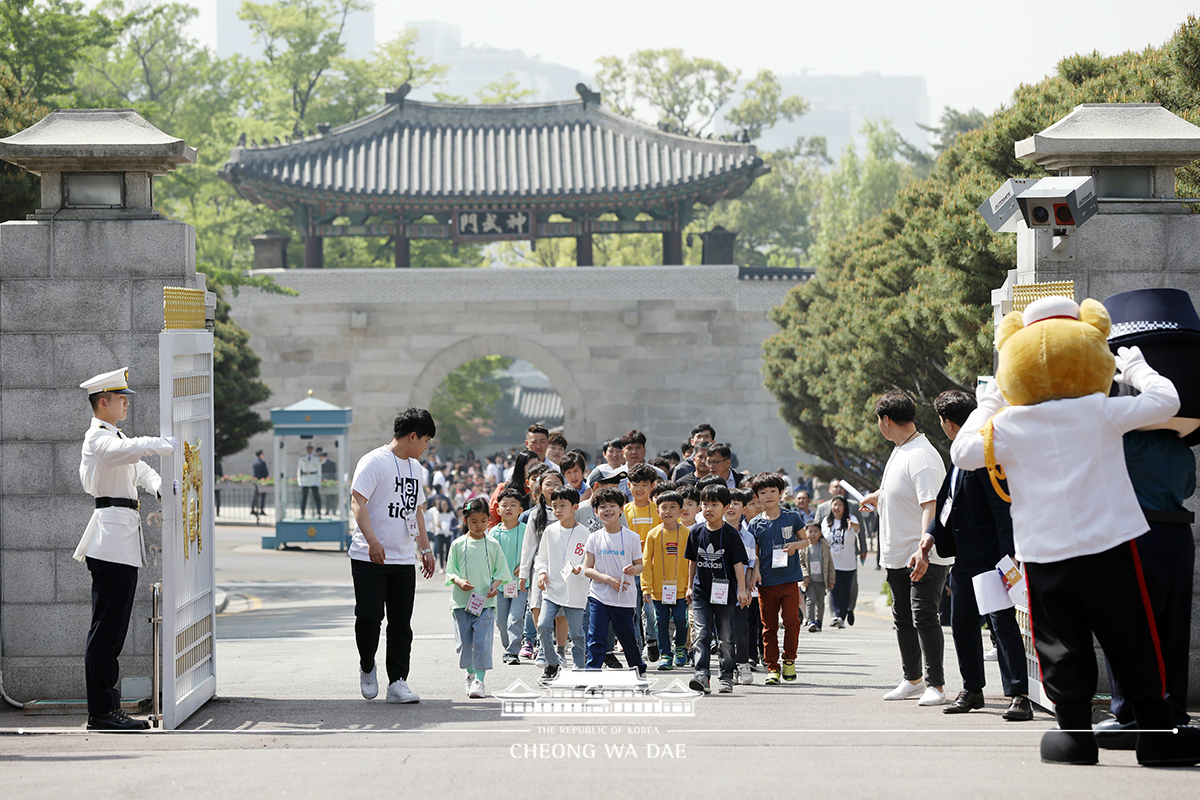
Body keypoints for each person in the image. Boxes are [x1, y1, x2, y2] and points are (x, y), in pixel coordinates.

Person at [916, 390, 1031, 721]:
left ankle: (1019, 695)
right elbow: (945, 506)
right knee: (963, 625)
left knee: (1002, 626)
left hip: (990, 561)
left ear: (949, 423)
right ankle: (972, 690)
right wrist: (929, 538)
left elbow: (1001, 511)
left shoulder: (982, 456)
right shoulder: (959, 457)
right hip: (963, 561)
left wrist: (1007, 560)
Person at [75, 367, 178, 731]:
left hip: (122, 541)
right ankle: (101, 712)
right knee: (105, 631)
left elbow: (139, 469)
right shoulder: (98, 439)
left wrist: (161, 485)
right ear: (103, 402)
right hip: (110, 542)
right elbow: (130, 451)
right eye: (121, 399)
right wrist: (161, 442)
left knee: (114, 632)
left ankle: (109, 708)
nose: (125, 404)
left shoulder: (114, 436)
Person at [860, 390, 952, 707]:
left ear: (886, 420)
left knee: (924, 617)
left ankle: (936, 685)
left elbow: (931, 505)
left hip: (922, 555)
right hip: (898, 555)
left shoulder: (921, 455)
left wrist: (923, 547)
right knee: (904, 618)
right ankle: (913, 679)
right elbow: (901, 490)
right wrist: (878, 496)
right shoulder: (902, 448)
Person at [348, 408, 437, 705]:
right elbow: (357, 502)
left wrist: (425, 549)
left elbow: (416, 512)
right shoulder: (374, 461)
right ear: (412, 436)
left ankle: (398, 682)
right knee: (370, 618)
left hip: (402, 559)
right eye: (425, 440)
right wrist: (372, 541)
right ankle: (367, 665)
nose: (426, 446)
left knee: (401, 624)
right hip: (368, 556)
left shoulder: (416, 468)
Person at [685, 483, 750, 695]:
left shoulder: (731, 534)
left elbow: (738, 564)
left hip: (726, 594)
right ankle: (701, 675)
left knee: (725, 638)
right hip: (701, 592)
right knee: (701, 634)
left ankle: (726, 677)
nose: (709, 509)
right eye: (705, 504)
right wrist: (689, 587)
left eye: (714, 504)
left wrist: (742, 589)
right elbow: (692, 562)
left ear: (726, 507)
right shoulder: (695, 532)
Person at [445, 497, 510, 699]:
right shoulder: (457, 544)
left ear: (488, 520)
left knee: (482, 642)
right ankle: (470, 673)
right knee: (465, 643)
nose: (479, 525)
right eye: (474, 521)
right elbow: (450, 571)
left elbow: (501, 570)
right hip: (461, 603)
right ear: (465, 521)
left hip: (486, 603)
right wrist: (458, 581)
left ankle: (479, 680)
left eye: (483, 521)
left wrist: (495, 586)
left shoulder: (493, 544)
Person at [749, 472, 808, 686]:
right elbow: (754, 554)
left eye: (773, 491)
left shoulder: (792, 517)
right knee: (769, 627)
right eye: (763, 492)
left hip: (790, 580)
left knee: (792, 621)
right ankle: (772, 667)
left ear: (781, 493)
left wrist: (794, 546)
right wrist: (755, 571)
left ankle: (789, 659)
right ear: (757, 496)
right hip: (767, 583)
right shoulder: (754, 524)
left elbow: (806, 541)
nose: (768, 496)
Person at [581, 487, 646, 674]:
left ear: (621, 509)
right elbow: (587, 570)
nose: (607, 510)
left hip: (624, 597)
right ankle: (592, 674)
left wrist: (634, 569)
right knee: (596, 637)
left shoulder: (632, 537)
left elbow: (640, 565)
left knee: (627, 639)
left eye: (612, 506)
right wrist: (607, 579)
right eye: (602, 506)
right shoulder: (593, 538)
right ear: (596, 511)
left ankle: (638, 671)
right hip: (598, 596)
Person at [534, 486, 591, 683]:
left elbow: (590, 562)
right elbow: (541, 558)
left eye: (563, 505)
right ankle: (552, 664)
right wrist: (541, 573)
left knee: (576, 634)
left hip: (575, 590)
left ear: (575, 507)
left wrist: (580, 570)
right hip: (551, 588)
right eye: (555, 505)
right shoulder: (550, 531)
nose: (557, 509)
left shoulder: (585, 533)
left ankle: (579, 670)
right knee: (542, 625)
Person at [642, 490, 690, 672]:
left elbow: (692, 562)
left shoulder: (687, 533)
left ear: (680, 511)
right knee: (660, 622)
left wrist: (690, 587)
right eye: (663, 508)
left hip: (681, 589)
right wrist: (646, 587)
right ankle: (665, 654)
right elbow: (646, 561)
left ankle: (680, 647)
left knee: (681, 620)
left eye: (672, 507)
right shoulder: (653, 534)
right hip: (658, 590)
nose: (668, 511)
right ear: (657, 511)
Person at [623, 463, 662, 661]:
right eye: (635, 484)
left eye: (645, 484)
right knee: (633, 611)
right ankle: (636, 646)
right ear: (629, 486)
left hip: (652, 568)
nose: (640, 489)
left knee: (651, 610)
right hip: (630, 568)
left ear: (652, 486)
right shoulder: (624, 511)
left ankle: (652, 641)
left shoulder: (658, 511)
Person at [489, 488, 527, 665]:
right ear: (498, 510)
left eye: (513, 505)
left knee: (516, 618)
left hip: (520, 584)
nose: (509, 508)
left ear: (521, 509)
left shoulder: (527, 530)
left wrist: (525, 566)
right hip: (499, 585)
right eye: (504, 505)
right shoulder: (494, 533)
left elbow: (535, 552)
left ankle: (513, 651)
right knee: (501, 621)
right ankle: (507, 647)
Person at [823, 497, 861, 628]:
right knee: (834, 589)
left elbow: (857, 527)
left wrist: (852, 524)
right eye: (834, 505)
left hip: (848, 563)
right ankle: (837, 616)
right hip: (832, 563)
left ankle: (842, 616)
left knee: (846, 591)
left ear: (845, 507)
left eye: (840, 505)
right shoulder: (826, 521)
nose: (837, 508)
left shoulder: (851, 518)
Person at [800, 523, 835, 633]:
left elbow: (830, 565)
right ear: (805, 533)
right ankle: (811, 621)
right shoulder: (804, 548)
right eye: (810, 531)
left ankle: (819, 621)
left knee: (820, 602)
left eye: (815, 531)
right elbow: (801, 563)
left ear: (820, 533)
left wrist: (831, 580)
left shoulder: (824, 546)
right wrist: (805, 576)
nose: (813, 534)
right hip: (809, 580)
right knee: (810, 600)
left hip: (821, 580)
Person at [298, 443, 322, 518]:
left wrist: (318, 480)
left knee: (316, 497)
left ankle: (318, 512)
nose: (309, 450)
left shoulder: (316, 459)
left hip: (313, 478)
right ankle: (302, 513)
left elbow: (319, 470)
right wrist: (299, 480)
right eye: (308, 448)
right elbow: (299, 470)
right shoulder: (302, 458)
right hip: (305, 478)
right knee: (304, 498)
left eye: (311, 448)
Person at [251, 449, 269, 517]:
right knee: (263, 496)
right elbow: (265, 473)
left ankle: (253, 508)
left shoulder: (255, 463)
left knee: (256, 495)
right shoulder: (262, 463)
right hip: (262, 481)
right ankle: (261, 509)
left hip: (256, 481)